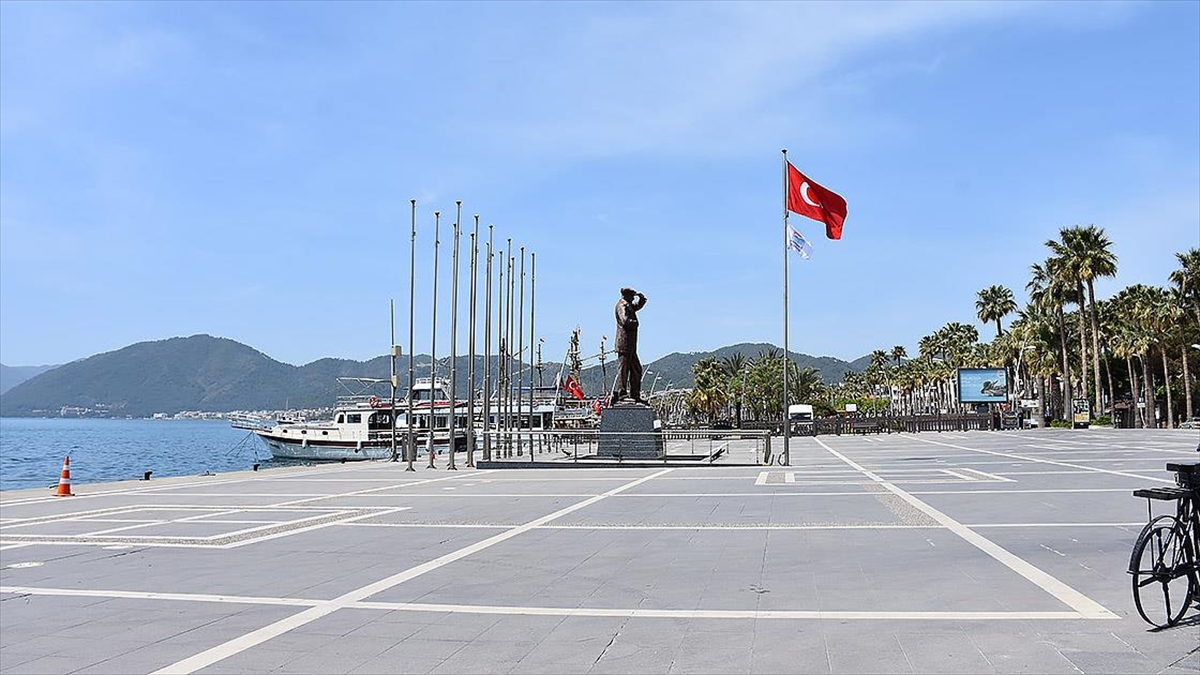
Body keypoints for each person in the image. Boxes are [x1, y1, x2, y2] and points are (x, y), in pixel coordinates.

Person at [611, 287, 647, 405]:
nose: (633, 298)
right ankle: (621, 394)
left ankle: (635, 394)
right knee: (623, 370)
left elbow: (637, 306)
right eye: (632, 295)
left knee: (636, 369)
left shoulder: (628, 305)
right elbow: (625, 321)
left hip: (631, 345)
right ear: (627, 295)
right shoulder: (622, 305)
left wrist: (641, 299)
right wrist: (635, 323)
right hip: (624, 344)